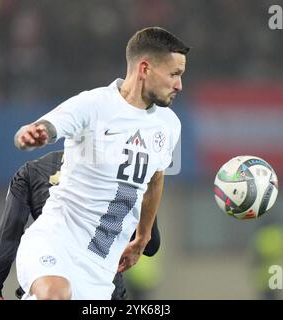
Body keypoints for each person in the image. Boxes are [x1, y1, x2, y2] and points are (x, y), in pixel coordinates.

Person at [13, 26, 188, 300]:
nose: (179, 85)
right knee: (55, 295)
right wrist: (34, 133)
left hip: (99, 270)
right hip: (56, 240)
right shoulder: (94, 104)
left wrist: (142, 237)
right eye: (174, 74)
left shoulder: (168, 125)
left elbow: (155, 178)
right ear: (145, 69)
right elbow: (49, 125)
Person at [0, 150, 161, 300]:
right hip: (101, 281)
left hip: (48, 269)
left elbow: (10, 232)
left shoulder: (32, 171)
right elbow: (152, 245)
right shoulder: (123, 174)